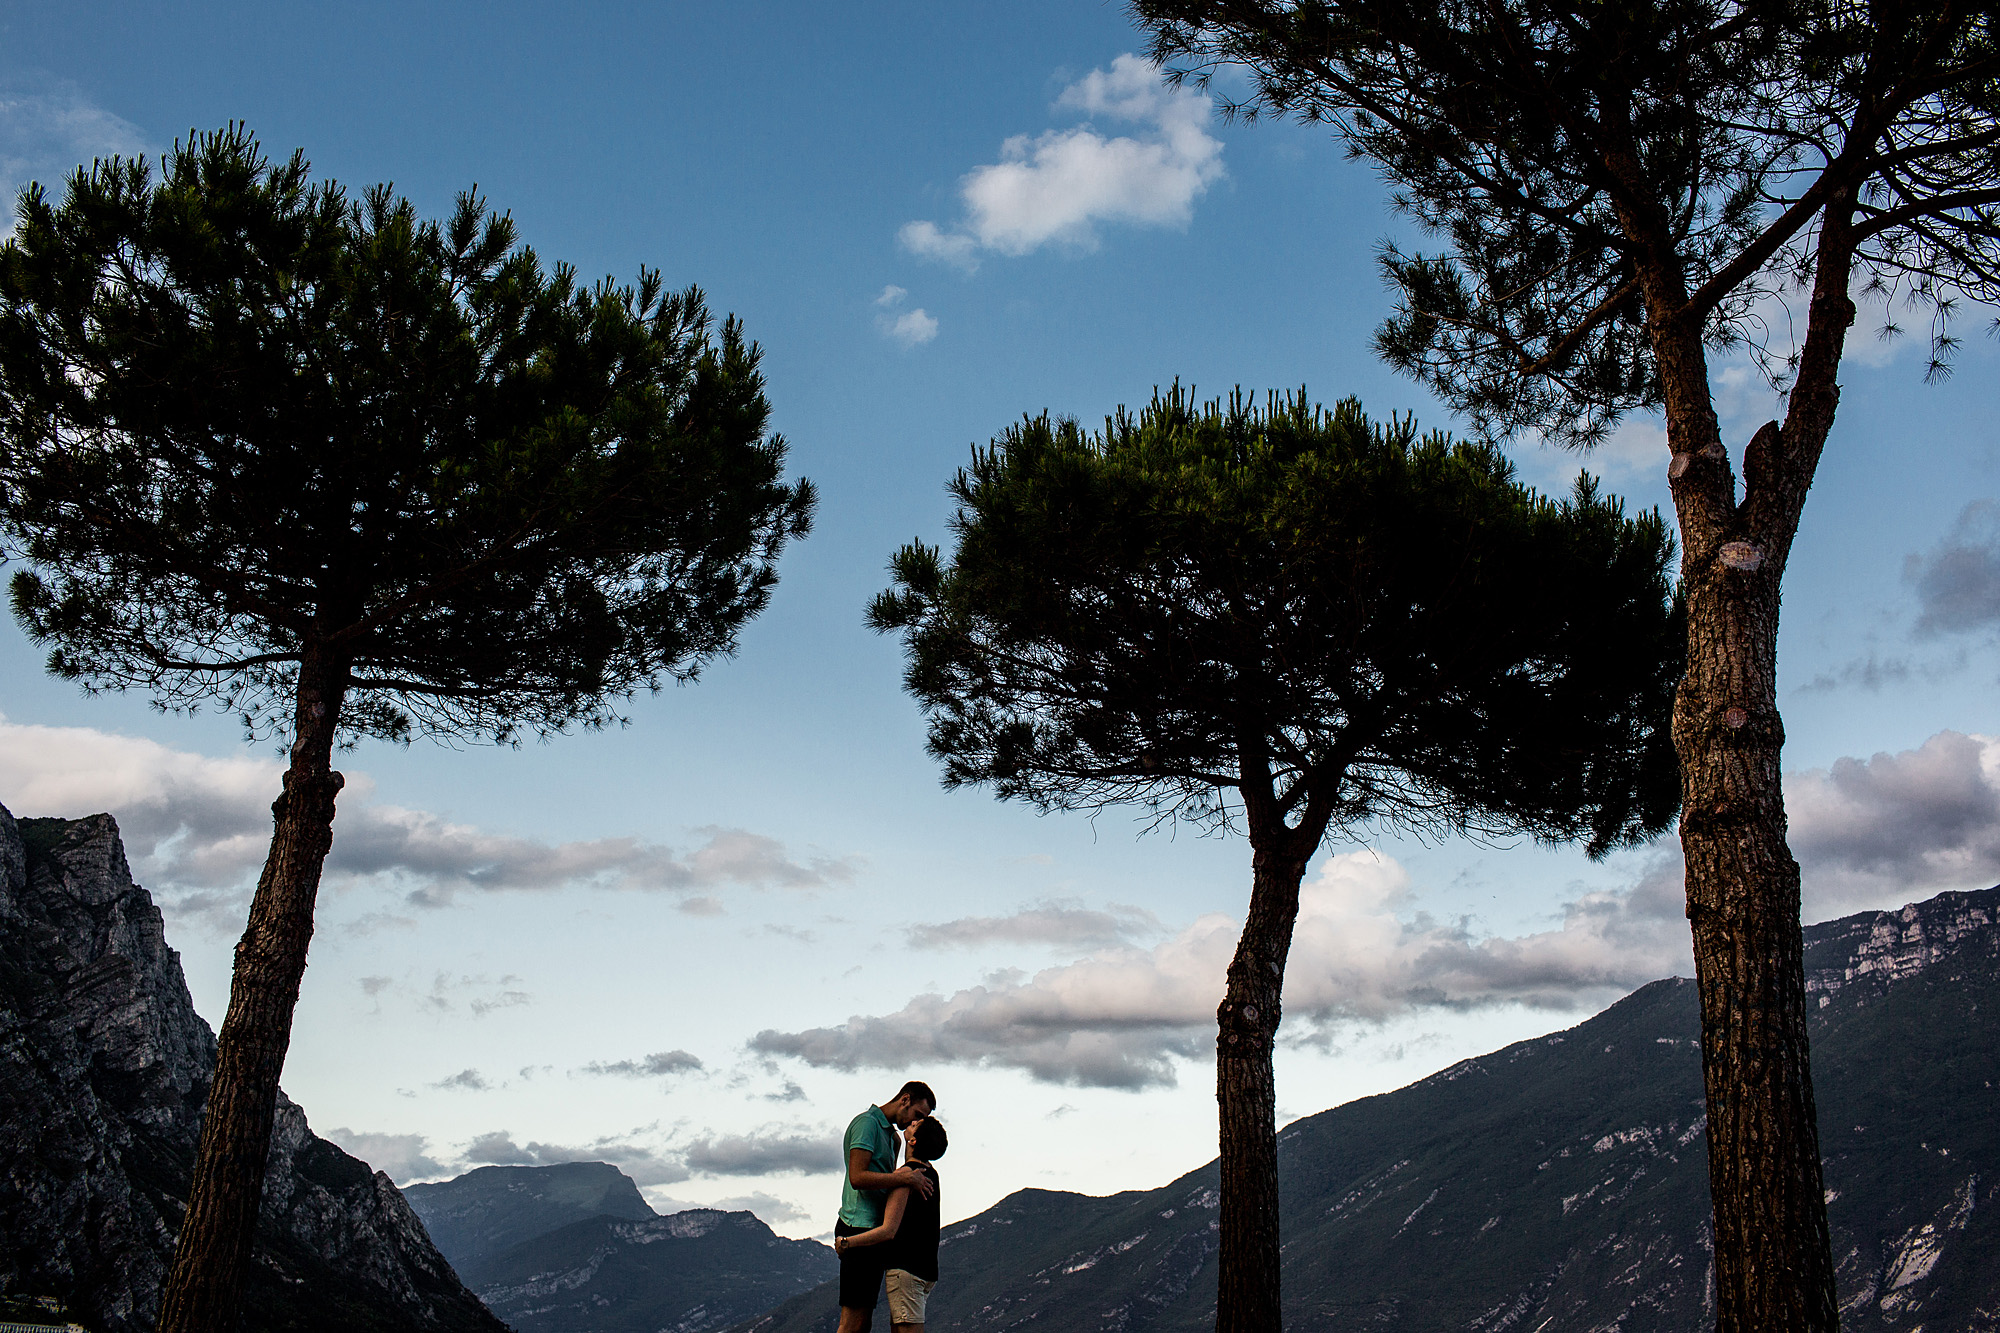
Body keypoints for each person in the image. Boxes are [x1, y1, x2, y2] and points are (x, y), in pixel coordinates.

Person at [836, 1082, 936, 1333]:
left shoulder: (892, 1138)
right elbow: (857, 1177)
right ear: (905, 1100)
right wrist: (904, 1178)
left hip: (876, 1232)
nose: (917, 1121)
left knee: (864, 1322)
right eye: (918, 1115)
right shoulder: (866, 1124)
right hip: (857, 1225)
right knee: (852, 1323)